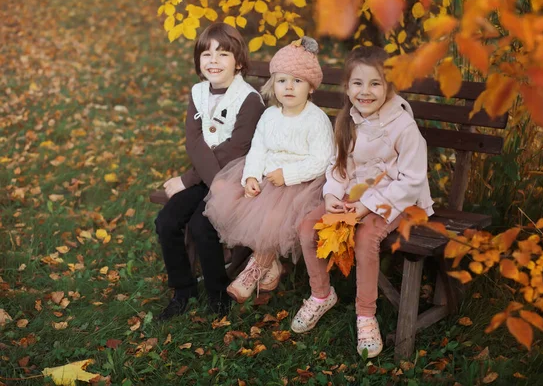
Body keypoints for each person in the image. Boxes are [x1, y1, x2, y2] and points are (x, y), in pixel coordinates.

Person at [291, 46, 434, 358]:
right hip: (353, 196)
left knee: (366, 236)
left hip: (396, 200)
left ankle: (366, 315)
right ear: (347, 86)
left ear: (389, 86)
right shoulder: (347, 120)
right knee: (306, 228)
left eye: (375, 84)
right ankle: (321, 294)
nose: (365, 92)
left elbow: (411, 181)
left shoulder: (404, 127)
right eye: (357, 83)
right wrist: (331, 194)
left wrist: (369, 206)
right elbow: (339, 167)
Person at [203, 37, 335, 303]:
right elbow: (258, 149)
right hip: (267, 176)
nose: (289, 87)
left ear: (310, 88)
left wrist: (288, 175)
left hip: (301, 184)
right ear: (273, 84)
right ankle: (270, 262)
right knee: (223, 190)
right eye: (282, 80)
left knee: (274, 216)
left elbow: (322, 160)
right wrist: (251, 175)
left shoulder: (316, 119)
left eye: (297, 81)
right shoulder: (270, 115)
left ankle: (256, 268)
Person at [154, 23, 265, 321]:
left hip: (234, 178)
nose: (213, 60)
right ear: (198, 61)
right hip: (206, 174)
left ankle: (218, 295)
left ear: (238, 62)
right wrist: (198, 181)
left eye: (223, 53)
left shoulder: (250, 100)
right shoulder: (198, 92)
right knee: (166, 221)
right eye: (206, 54)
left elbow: (235, 150)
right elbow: (194, 140)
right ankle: (183, 289)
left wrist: (188, 180)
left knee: (203, 226)